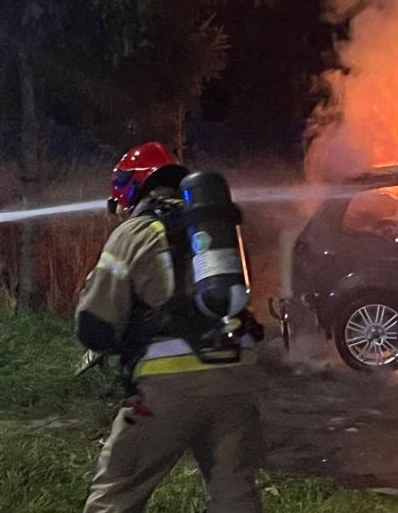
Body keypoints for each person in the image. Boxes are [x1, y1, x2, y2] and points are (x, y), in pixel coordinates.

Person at [77, 141, 264, 512]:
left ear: (131, 188)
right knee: (235, 495)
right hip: (237, 375)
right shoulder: (213, 226)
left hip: (169, 385)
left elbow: (95, 325)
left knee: (116, 492)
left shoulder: (134, 233)